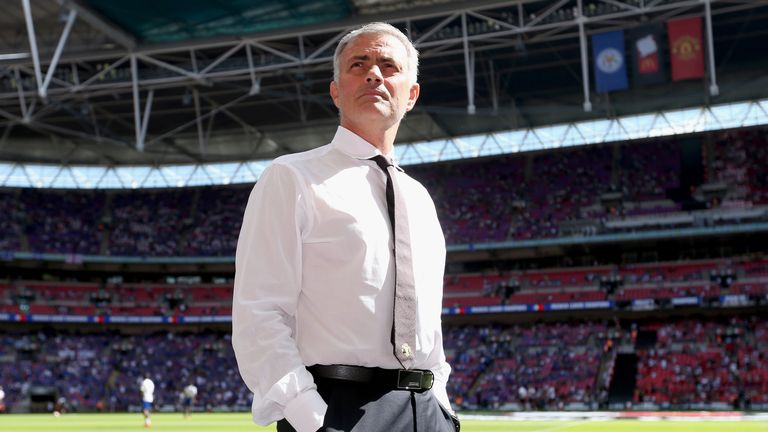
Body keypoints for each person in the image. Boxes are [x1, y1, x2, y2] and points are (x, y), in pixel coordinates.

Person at [232, 22, 458, 432]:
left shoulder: (421, 199)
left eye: (389, 65)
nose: (374, 73)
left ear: (411, 95)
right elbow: (259, 313)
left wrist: (441, 405)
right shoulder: (290, 178)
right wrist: (310, 418)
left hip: (425, 412)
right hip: (337, 409)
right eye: (359, 63)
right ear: (336, 90)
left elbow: (428, 322)